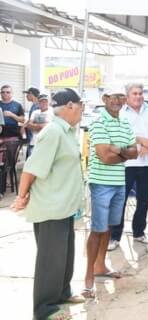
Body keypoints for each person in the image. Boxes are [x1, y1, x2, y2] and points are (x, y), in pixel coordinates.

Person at [10, 88, 86, 320]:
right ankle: (44, 309)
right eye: (81, 105)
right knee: (50, 260)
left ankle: (62, 292)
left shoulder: (67, 131)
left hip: (65, 206)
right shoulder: (53, 132)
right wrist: (21, 197)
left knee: (65, 256)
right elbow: (31, 169)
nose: (82, 109)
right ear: (70, 106)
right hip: (51, 207)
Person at [84, 87, 138, 298]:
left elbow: (135, 153)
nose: (117, 100)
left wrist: (118, 150)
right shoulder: (98, 122)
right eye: (112, 97)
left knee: (108, 226)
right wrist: (124, 153)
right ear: (104, 99)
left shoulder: (125, 122)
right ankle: (88, 276)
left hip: (118, 182)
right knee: (98, 229)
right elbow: (104, 157)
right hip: (100, 183)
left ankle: (100, 266)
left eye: (120, 97)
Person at [109, 83, 148, 251]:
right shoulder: (120, 113)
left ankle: (139, 232)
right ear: (127, 96)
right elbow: (120, 135)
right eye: (134, 93)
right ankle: (114, 236)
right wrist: (141, 143)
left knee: (144, 199)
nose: (138, 96)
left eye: (140, 93)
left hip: (147, 162)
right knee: (120, 200)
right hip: (126, 163)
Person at [0, 84, 25, 197]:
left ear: (12, 93)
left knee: (9, 163)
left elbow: (22, 119)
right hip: (1, 136)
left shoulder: (17, 105)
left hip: (13, 137)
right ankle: (3, 186)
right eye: (3, 92)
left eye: (8, 92)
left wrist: (11, 115)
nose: (5, 94)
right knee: (1, 163)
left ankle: (7, 184)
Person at [23, 87, 40, 158]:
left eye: (27, 94)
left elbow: (37, 122)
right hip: (31, 138)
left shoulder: (38, 106)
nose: (26, 96)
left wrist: (25, 125)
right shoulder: (34, 105)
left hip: (35, 139)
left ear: (31, 94)